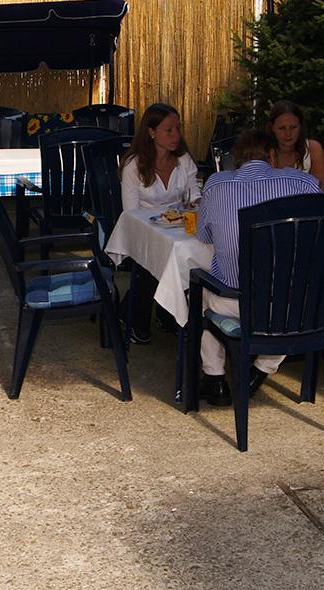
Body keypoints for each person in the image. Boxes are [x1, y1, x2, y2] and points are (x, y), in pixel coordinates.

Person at [194, 129, 320, 406]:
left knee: (199, 288)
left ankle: (214, 379)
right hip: (296, 309)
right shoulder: (306, 184)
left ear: (236, 160)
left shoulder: (217, 184)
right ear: (272, 155)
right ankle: (261, 370)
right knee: (297, 291)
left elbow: (203, 237)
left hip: (236, 303)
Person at [120, 103, 201, 342]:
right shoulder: (134, 166)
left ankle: (170, 314)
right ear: (152, 132)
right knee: (155, 261)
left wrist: (193, 206)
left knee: (196, 257)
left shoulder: (183, 160)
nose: (176, 135)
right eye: (169, 130)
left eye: (178, 128)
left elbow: (195, 196)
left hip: (178, 230)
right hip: (143, 233)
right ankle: (137, 316)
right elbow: (131, 214)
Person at [266, 100, 324, 189]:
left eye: (293, 127)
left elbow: (319, 192)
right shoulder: (262, 152)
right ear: (272, 127)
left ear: (300, 126)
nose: (288, 133)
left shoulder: (313, 149)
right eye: (282, 128)